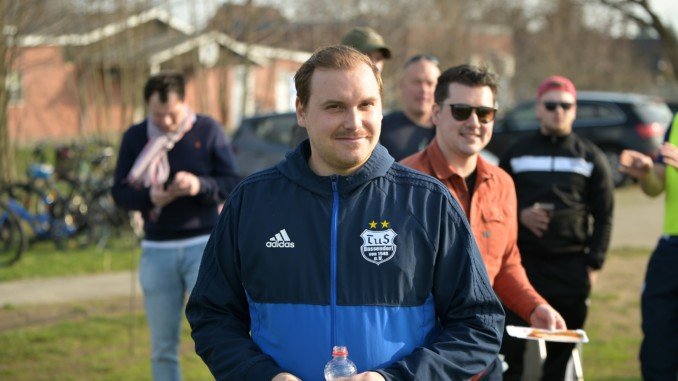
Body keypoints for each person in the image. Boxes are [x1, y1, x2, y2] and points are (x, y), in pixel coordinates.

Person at [185, 45, 504, 381]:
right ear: (301, 111)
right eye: (334, 107)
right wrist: (262, 376)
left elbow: (479, 324)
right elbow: (211, 316)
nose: (354, 122)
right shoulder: (252, 202)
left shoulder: (429, 202)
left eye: (366, 105)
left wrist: (395, 379)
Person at [401, 64, 566, 380]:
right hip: (421, 360)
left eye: (485, 113)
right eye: (461, 111)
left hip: (483, 356)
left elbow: (505, 263)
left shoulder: (502, 182)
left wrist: (534, 307)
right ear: (436, 113)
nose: (474, 123)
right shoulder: (402, 183)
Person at [111, 71, 239, 381]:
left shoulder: (207, 130)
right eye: (157, 115)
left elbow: (232, 183)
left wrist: (198, 185)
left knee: (221, 336)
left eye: (172, 114)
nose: (166, 123)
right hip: (156, 249)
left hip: (204, 246)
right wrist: (149, 196)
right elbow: (119, 192)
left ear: (185, 102)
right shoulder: (134, 137)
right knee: (163, 345)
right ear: (147, 107)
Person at [498, 75, 614, 381]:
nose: (558, 111)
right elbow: (495, 204)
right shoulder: (516, 152)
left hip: (570, 266)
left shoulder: (589, 156)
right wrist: (521, 214)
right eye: (551, 105)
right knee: (512, 352)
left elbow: (605, 214)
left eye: (566, 105)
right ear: (538, 108)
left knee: (561, 355)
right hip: (523, 267)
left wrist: (594, 264)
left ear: (575, 110)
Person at [619, 116, 678, 380]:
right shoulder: (677, 120)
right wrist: (646, 172)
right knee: (657, 350)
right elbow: (659, 185)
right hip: (670, 250)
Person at [381, 54, 441, 161]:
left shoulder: (449, 129)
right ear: (402, 85)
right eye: (417, 82)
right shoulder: (382, 127)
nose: (423, 90)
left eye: (430, 83)